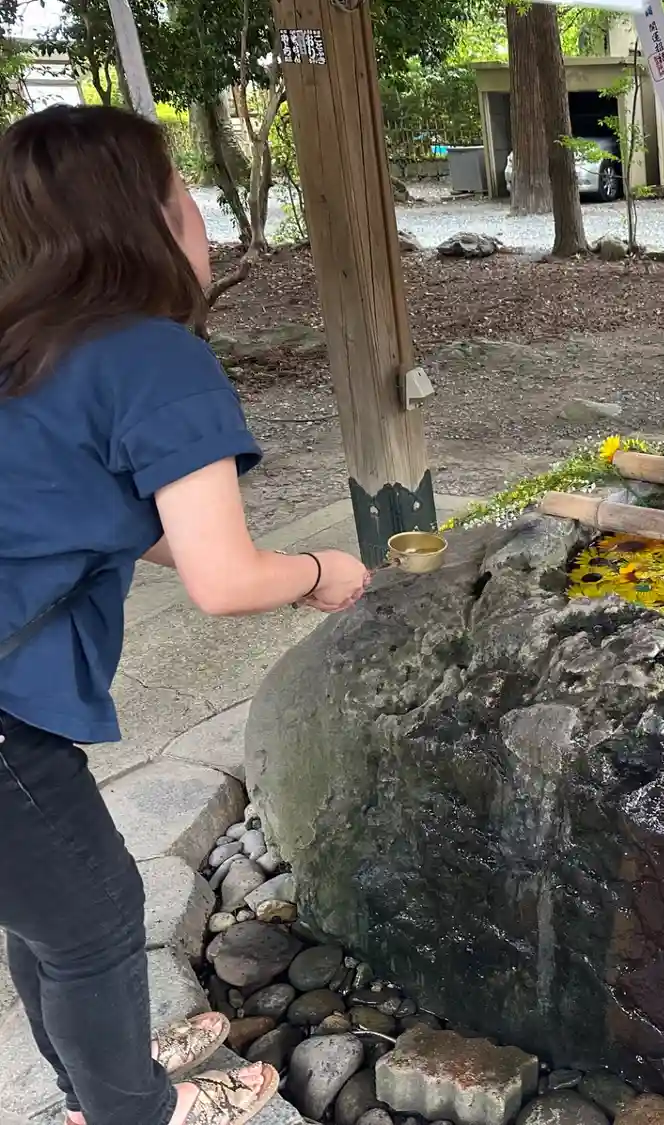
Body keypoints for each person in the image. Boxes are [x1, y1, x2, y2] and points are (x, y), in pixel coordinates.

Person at [0, 105, 372, 1125]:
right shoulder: (152, 356)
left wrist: (257, 562)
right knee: (95, 919)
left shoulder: (29, 345)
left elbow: (120, 515)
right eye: (183, 190)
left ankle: (98, 1078)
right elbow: (220, 579)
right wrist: (318, 569)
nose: (196, 211)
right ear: (149, 216)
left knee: (48, 915)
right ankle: (133, 1108)